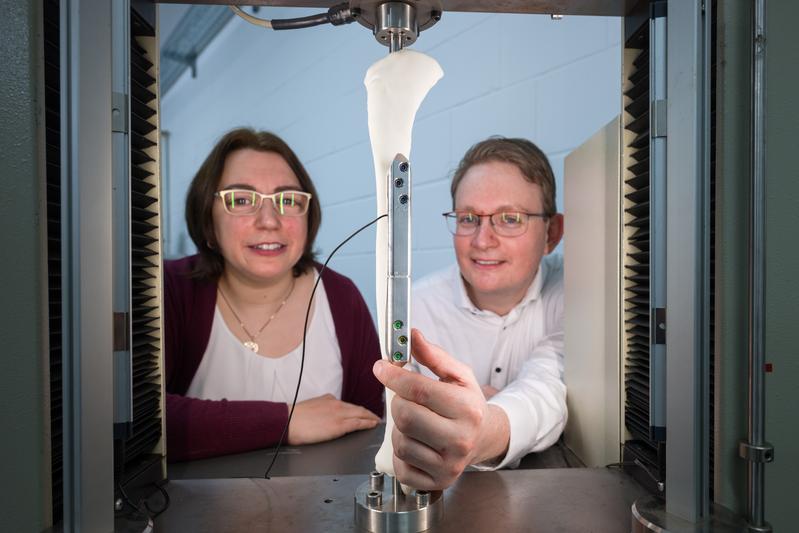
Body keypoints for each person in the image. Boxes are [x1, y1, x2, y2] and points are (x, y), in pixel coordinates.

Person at [165, 128, 383, 462]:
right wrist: (286, 421)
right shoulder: (171, 289)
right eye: (241, 200)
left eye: (288, 201)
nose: (269, 220)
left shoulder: (342, 297)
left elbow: (367, 429)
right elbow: (144, 419)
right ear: (208, 220)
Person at [372, 137, 565, 490]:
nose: (482, 240)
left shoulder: (579, 294)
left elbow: (548, 386)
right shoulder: (415, 307)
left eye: (509, 219)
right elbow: (403, 425)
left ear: (552, 232)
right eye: (468, 218)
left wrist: (486, 424)